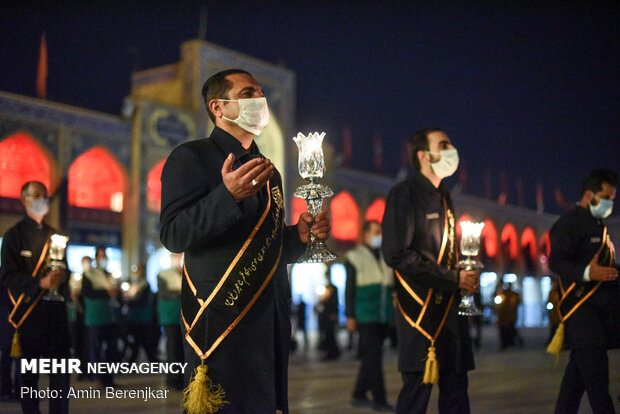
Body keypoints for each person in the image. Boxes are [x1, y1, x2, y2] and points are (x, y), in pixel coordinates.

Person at [159, 68, 330, 414]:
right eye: (248, 93)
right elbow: (173, 234)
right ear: (218, 107)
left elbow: (265, 245)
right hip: (221, 317)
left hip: (268, 317)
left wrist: (297, 238)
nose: (259, 100)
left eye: (261, 92)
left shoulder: (268, 170)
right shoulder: (191, 157)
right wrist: (228, 196)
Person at [381, 128, 479, 414]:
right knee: (416, 394)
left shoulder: (445, 196)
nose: (451, 150)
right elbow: (397, 254)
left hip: (451, 306)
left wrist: (464, 271)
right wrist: (453, 278)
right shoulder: (405, 193)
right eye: (444, 145)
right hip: (421, 309)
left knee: (457, 391)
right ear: (423, 155)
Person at [548, 168, 619, 414]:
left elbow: (607, 266)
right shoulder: (568, 224)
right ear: (590, 194)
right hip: (583, 316)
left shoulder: (598, 225)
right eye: (607, 196)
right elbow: (556, 263)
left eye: (613, 197)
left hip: (600, 316)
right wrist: (588, 273)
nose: (611, 202)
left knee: (574, 385)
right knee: (598, 388)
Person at [0, 181, 70, 414]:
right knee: (29, 381)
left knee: (60, 379)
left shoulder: (55, 237)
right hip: (30, 318)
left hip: (56, 318)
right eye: (36, 195)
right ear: (24, 199)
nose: (42, 199)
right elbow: (8, 276)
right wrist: (39, 282)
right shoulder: (13, 236)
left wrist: (62, 276)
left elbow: (65, 272)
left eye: (45, 195)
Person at [345, 219, 394, 412]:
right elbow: (349, 290)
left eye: (380, 232)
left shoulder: (385, 256)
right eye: (375, 232)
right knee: (374, 359)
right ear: (365, 234)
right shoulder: (354, 256)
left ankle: (358, 394)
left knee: (370, 357)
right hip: (365, 315)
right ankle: (379, 400)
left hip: (383, 315)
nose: (379, 236)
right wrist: (350, 316)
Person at [81, 245, 120, 388]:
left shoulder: (109, 274)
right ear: (96, 258)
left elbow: (116, 294)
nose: (103, 258)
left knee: (111, 349)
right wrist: (106, 293)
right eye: (100, 256)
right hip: (95, 317)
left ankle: (108, 379)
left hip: (110, 317)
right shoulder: (89, 274)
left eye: (105, 256)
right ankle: (96, 378)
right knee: (95, 349)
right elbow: (86, 293)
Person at [157, 252, 184, 390]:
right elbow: (163, 293)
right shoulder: (163, 274)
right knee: (173, 348)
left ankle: (182, 377)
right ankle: (173, 379)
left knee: (181, 348)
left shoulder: (184, 271)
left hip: (182, 317)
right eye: (176, 256)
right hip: (169, 316)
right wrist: (179, 292)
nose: (178, 258)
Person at [122, 263, 157, 363]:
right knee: (141, 341)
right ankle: (152, 360)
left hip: (141, 317)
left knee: (139, 340)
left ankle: (131, 363)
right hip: (136, 317)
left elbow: (141, 300)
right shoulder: (134, 284)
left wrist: (129, 300)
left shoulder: (144, 285)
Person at [317, 277, 340, 361]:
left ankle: (333, 352)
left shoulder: (332, 289)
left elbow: (334, 302)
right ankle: (332, 351)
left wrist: (334, 313)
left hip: (330, 315)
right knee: (328, 334)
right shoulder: (326, 288)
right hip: (326, 315)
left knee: (331, 334)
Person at [494, 282, 521, 350]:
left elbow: (515, 304)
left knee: (511, 330)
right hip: (502, 316)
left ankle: (511, 343)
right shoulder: (501, 295)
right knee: (503, 331)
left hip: (510, 317)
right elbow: (497, 304)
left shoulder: (513, 295)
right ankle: (504, 344)